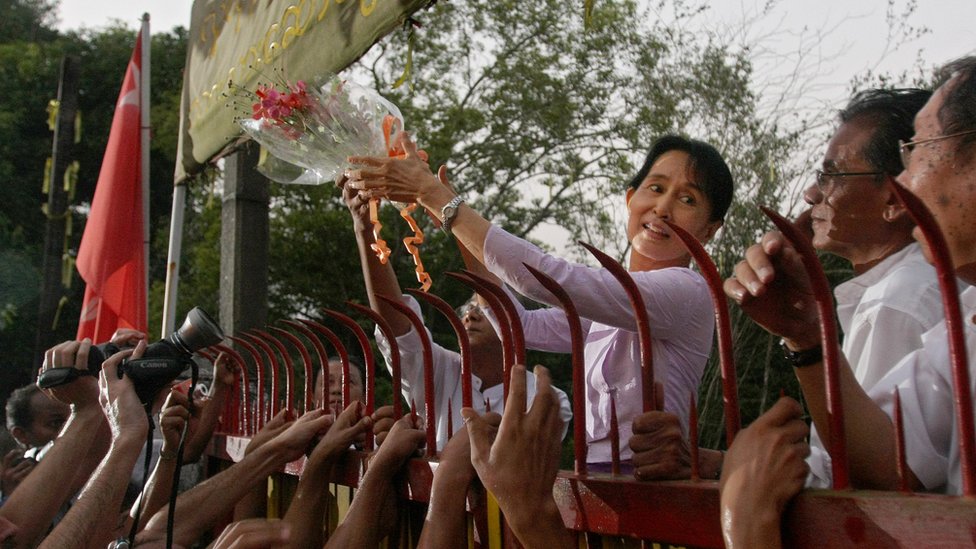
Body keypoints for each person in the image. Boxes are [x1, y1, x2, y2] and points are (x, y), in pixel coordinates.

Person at [347, 134, 732, 469]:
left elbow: (549, 278)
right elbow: (519, 325)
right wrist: (455, 224)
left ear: (710, 230)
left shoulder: (686, 291)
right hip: (600, 481)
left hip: (654, 484)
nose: (663, 208)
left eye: (687, 199)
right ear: (631, 198)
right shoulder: (610, 310)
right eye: (656, 188)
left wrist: (439, 197)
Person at [630, 88, 942, 485]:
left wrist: (806, 341)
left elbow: (878, 489)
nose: (813, 195)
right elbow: (839, 470)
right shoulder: (893, 293)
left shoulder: (899, 301)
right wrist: (712, 465)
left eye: (832, 175)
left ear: (896, 199)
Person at [724, 56, 976, 494]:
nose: (908, 180)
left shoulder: (905, 297)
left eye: (917, 151)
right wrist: (807, 338)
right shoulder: (968, 319)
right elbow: (893, 466)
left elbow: (872, 500)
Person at [338, 178, 571, 451]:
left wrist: (454, 213)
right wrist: (364, 227)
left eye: (482, 309)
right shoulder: (440, 369)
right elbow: (398, 326)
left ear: (517, 323)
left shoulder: (548, 399)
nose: (470, 316)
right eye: (467, 311)